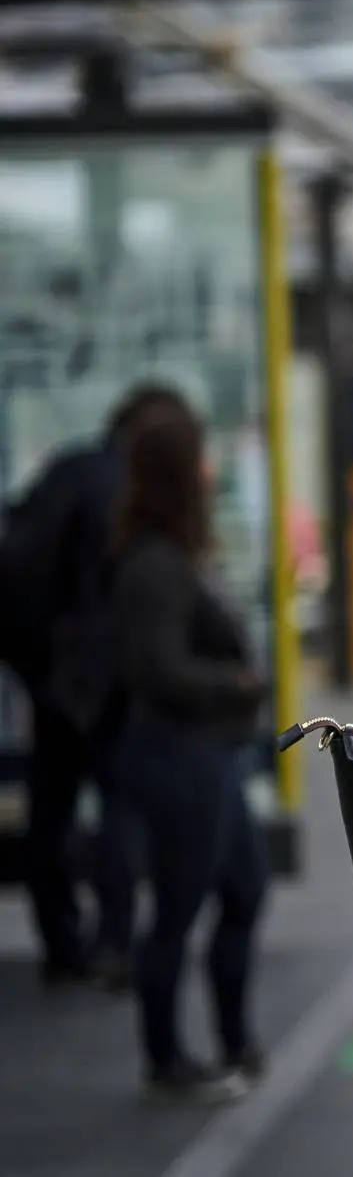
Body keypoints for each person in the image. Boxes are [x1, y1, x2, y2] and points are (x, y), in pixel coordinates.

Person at [109, 395, 270, 1102]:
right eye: (200, 458)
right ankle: (167, 1056)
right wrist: (234, 683)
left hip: (209, 755)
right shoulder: (153, 565)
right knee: (178, 908)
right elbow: (159, 670)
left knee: (243, 891)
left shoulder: (178, 555)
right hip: (180, 757)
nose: (211, 471)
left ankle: (234, 1039)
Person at [0, 384, 185, 991]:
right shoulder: (124, 490)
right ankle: (114, 941)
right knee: (118, 811)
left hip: (50, 675)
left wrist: (38, 667)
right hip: (103, 682)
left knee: (50, 811)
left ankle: (60, 943)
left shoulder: (67, 470)